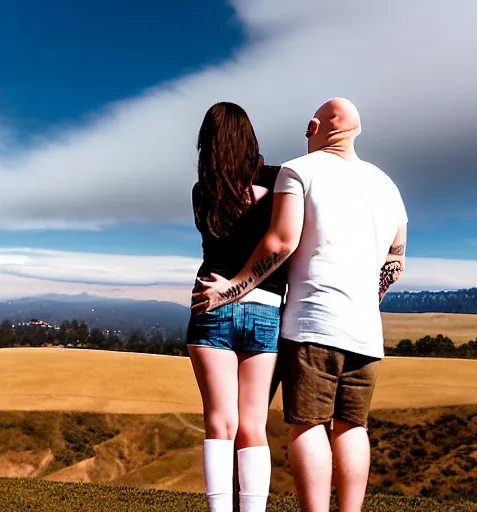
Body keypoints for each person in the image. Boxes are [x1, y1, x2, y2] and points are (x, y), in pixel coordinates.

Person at [192, 98, 408, 512]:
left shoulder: (298, 171)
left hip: (309, 321)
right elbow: (396, 259)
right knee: (351, 428)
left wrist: (231, 289)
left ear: (314, 127)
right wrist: (369, 295)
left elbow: (283, 242)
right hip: (362, 327)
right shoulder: (387, 185)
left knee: (302, 425)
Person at [186, 102, 287, 512]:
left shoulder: (202, 191)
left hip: (210, 301)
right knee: (252, 425)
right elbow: (282, 242)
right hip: (264, 306)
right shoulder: (281, 181)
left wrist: (227, 291)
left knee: (219, 423)